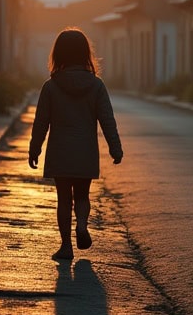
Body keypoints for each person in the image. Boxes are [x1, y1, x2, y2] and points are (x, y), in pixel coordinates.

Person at [29, 27, 123, 262]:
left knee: (63, 199)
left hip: (60, 151)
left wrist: (35, 148)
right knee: (82, 195)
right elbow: (107, 120)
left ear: (58, 54)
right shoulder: (97, 86)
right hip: (85, 151)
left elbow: (41, 122)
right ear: (85, 54)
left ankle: (66, 246)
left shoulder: (50, 87)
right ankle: (81, 224)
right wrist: (115, 148)